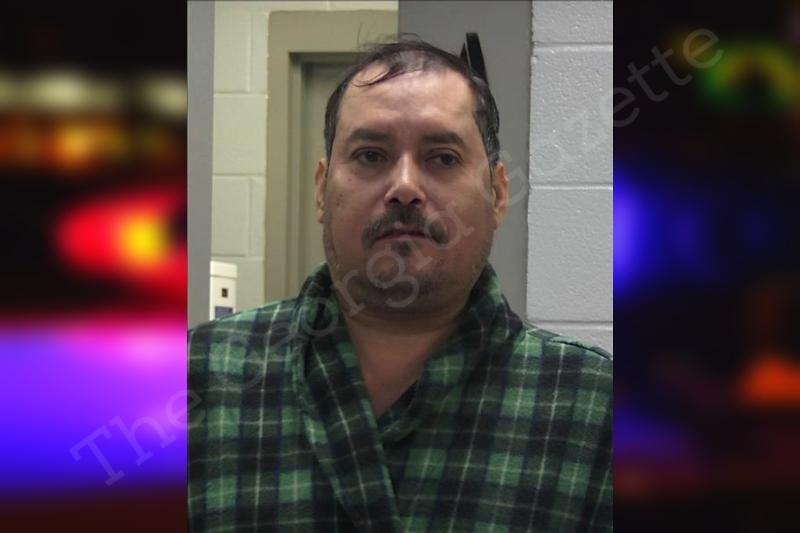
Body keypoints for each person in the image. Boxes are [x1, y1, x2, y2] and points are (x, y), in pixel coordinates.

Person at [188, 38, 612, 532]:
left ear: (497, 194)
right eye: (370, 155)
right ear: (322, 190)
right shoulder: (193, 377)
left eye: (443, 158)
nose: (405, 187)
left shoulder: (596, 407)